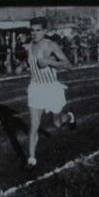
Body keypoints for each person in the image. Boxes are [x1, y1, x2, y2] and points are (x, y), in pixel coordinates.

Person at [25, 30, 77, 167]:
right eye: (32, 29)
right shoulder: (29, 46)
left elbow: (68, 65)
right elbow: (29, 64)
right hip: (35, 88)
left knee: (57, 123)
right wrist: (21, 66)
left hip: (51, 89)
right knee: (34, 125)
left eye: (37, 30)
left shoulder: (51, 49)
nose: (34, 33)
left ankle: (69, 117)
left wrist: (48, 61)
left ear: (43, 31)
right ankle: (31, 158)